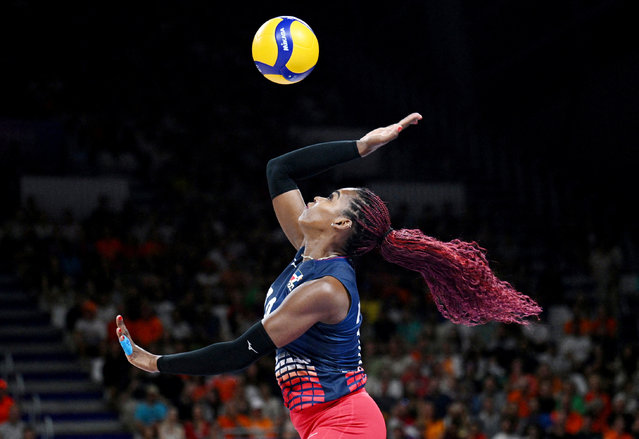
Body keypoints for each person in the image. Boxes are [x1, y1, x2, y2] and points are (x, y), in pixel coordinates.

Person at [114, 112, 542, 439]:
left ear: (339, 226)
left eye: (333, 197)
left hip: (346, 422)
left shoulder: (325, 290)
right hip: (320, 419)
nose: (318, 195)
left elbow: (241, 351)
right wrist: (361, 145)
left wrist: (156, 363)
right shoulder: (307, 254)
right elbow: (279, 169)